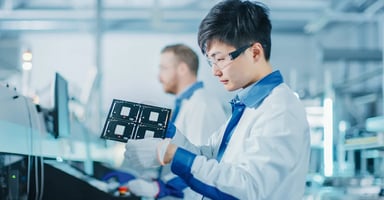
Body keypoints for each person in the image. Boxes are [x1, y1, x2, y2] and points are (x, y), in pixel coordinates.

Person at [123, 0, 310, 199]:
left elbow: (249, 189)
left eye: (220, 59)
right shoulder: (247, 108)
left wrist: (171, 154)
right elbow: (211, 160)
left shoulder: (279, 109)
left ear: (254, 52)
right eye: (211, 62)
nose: (214, 71)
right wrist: (171, 136)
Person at [113, 44, 227, 199]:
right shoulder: (186, 105)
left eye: (163, 68)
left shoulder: (202, 105)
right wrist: (153, 179)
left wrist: (160, 188)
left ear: (182, 69)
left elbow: (202, 164)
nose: (159, 78)